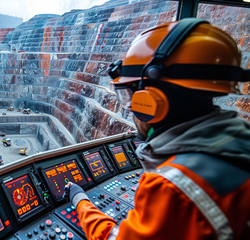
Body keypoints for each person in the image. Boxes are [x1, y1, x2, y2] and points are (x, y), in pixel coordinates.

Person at [65, 18, 250, 239]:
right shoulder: (240, 140)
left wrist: (81, 201)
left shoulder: (170, 185)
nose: (130, 108)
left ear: (149, 100)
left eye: (129, 95)